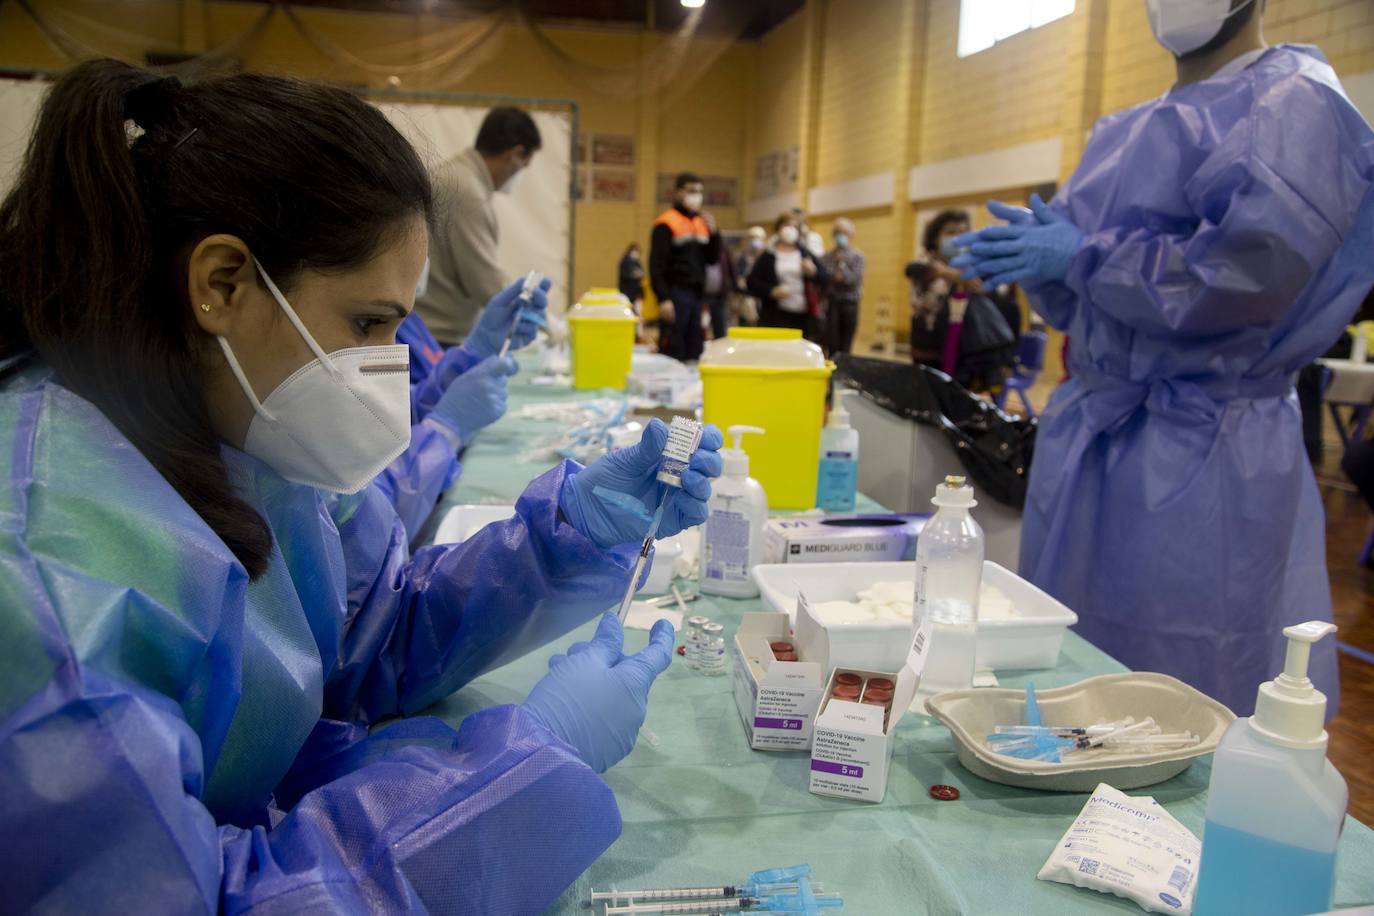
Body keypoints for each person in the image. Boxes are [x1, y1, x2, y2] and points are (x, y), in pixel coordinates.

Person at [0, 60, 724, 914]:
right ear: (222, 284)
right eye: (368, 322)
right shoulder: (50, 576)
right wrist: (519, 772)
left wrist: (567, 536)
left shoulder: (239, 427)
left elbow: (360, 641)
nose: (395, 363)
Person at [952, 0, 1374, 716]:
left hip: (1208, 450)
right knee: (1071, 662)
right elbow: (1097, 305)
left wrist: (1085, 255)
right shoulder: (1128, 128)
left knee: (1188, 678)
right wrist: (1050, 267)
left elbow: (1242, 279)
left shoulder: (1294, 104)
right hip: (1093, 435)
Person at [382, 279, 549, 540]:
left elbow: (393, 413)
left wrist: (476, 353)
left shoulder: (402, 316)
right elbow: (371, 527)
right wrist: (445, 426)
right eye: (365, 324)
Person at [415, 106, 540, 346]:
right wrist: (535, 315)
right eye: (524, 166)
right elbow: (485, 282)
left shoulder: (456, 175)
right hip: (436, 334)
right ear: (516, 154)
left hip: (427, 328)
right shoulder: (468, 192)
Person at [649, 172, 720, 361]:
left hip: (696, 293)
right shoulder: (666, 222)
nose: (696, 195)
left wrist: (714, 234)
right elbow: (657, 264)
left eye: (699, 191)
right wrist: (663, 297)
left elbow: (712, 259)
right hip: (675, 292)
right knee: (673, 346)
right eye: (691, 191)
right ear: (678, 192)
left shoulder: (701, 222)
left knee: (695, 347)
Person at [748, 212, 828, 337]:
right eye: (786, 225)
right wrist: (771, 291)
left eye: (794, 226)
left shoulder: (805, 254)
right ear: (778, 229)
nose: (790, 229)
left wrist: (813, 272)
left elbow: (825, 278)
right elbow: (752, 282)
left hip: (802, 315)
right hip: (775, 315)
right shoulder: (769, 255)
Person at [821, 217, 866, 355]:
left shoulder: (858, 256)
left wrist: (842, 264)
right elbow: (825, 278)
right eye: (838, 232)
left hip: (850, 303)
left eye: (845, 232)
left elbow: (852, 280)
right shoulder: (826, 257)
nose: (841, 236)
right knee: (832, 343)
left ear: (851, 235)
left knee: (846, 344)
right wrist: (837, 277)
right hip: (832, 303)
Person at [733, 225, 767, 326]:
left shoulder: (767, 258)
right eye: (752, 237)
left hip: (762, 298)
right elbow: (738, 277)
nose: (755, 241)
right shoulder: (741, 258)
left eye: (758, 238)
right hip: (746, 298)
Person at [618, 242, 646, 311]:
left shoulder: (637, 262)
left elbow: (642, 274)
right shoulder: (624, 262)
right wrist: (635, 274)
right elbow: (627, 275)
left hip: (637, 292)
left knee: (638, 310)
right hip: (627, 291)